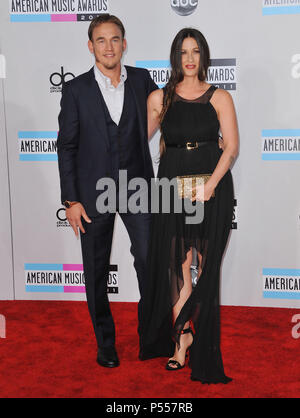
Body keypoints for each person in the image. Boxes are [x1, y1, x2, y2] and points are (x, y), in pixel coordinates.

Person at [57, 14, 158, 368]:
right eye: (101, 40)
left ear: (124, 43)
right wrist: (70, 200)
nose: (109, 47)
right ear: (90, 46)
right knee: (96, 270)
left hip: (138, 189)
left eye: (115, 39)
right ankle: (105, 343)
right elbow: (66, 146)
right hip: (91, 194)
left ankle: (152, 336)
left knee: (149, 262)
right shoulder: (76, 90)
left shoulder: (144, 80)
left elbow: (171, 112)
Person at [139, 28, 238, 384]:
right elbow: (137, 142)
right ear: (175, 57)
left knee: (206, 269)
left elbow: (231, 147)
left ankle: (205, 344)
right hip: (171, 190)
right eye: (183, 52)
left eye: (196, 51)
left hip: (212, 190)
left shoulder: (220, 98)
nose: (190, 58)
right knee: (176, 267)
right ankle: (181, 341)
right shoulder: (159, 99)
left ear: (204, 56)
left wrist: (211, 185)